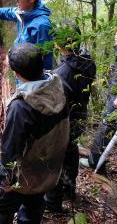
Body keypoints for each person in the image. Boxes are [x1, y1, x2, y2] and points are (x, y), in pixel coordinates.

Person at [0, 43, 69, 223]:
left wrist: (5, 181)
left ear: (17, 74)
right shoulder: (57, 85)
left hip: (23, 177)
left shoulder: (21, 107)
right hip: (47, 172)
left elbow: (10, 150)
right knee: (33, 208)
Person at [44, 21, 96, 212]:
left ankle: (53, 202)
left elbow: (56, 104)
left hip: (64, 121)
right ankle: (70, 188)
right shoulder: (88, 62)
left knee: (56, 157)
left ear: (57, 44)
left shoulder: (60, 74)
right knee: (71, 149)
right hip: (80, 115)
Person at [80, 26, 117, 170]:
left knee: (105, 127)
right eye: (116, 33)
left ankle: (93, 162)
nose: (116, 36)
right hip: (114, 95)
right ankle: (100, 157)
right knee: (107, 127)